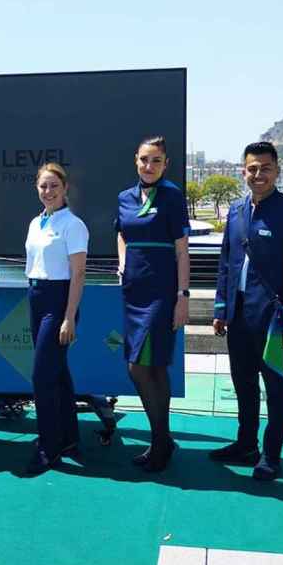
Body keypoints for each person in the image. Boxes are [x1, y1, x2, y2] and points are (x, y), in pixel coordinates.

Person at [210, 142, 283, 480]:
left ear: (277, 171)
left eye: (265, 168)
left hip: (273, 318)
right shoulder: (236, 210)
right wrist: (221, 307)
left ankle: (271, 454)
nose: (258, 174)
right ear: (243, 171)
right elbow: (226, 262)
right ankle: (245, 444)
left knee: (275, 386)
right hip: (238, 314)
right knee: (243, 383)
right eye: (252, 168)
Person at [115, 136, 191, 472]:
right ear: (135, 160)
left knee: (141, 367)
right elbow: (121, 233)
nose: (149, 166)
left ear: (165, 164)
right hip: (134, 291)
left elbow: (182, 250)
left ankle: (161, 440)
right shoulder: (124, 198)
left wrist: (183, 297)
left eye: (156, 160)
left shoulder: (173, 196)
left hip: (162, 292)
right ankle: (163, 439)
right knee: (153, 366)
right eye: (144, 159)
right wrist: (121, 262)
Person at [23, 162, 88, 475]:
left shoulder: (73, 225)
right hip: (36, 299)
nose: (47, 192)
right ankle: (68, 438)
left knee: (42, 376)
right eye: (43, 186)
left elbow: (78, 273)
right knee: (58, 373)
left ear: (65, 189)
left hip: (59, 302)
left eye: (54, 186)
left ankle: (49, 447)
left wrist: (69, 317)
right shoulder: (36, 222)